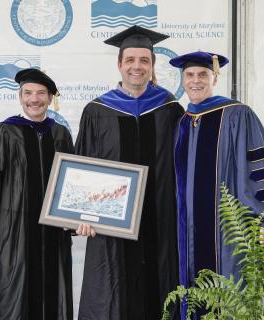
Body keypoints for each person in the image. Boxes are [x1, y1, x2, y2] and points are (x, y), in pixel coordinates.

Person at [169, 51, 264, 318]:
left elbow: (262, 167)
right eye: (189, 75)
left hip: (228, 234)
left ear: (215, 77)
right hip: (188, 235)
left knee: (232, 298)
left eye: (202, 75)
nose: (195, 81)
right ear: (182, 79)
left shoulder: (238, 115)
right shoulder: (181, 123)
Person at [75, 25, 184, 320]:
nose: (137, 66)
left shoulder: (170, 108)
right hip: (112, 226)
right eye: (131, 60)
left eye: (144, 60)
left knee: (161, 290)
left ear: (152, 65)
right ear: (120, 64)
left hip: (160, 221)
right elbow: (83, 168)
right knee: (112, 291)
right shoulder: (97, 110)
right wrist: (83, 214)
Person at [0, 68, 74, 320]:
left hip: (54, 233)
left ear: (50, 97)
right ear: (20, 96)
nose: (33, 99)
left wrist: (74, 219)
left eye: (40, 93)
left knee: (52, 294)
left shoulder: (60, 134)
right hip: (13, 232)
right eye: (27, 93)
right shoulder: (4, 132)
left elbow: (73, 184)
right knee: (12, 296)